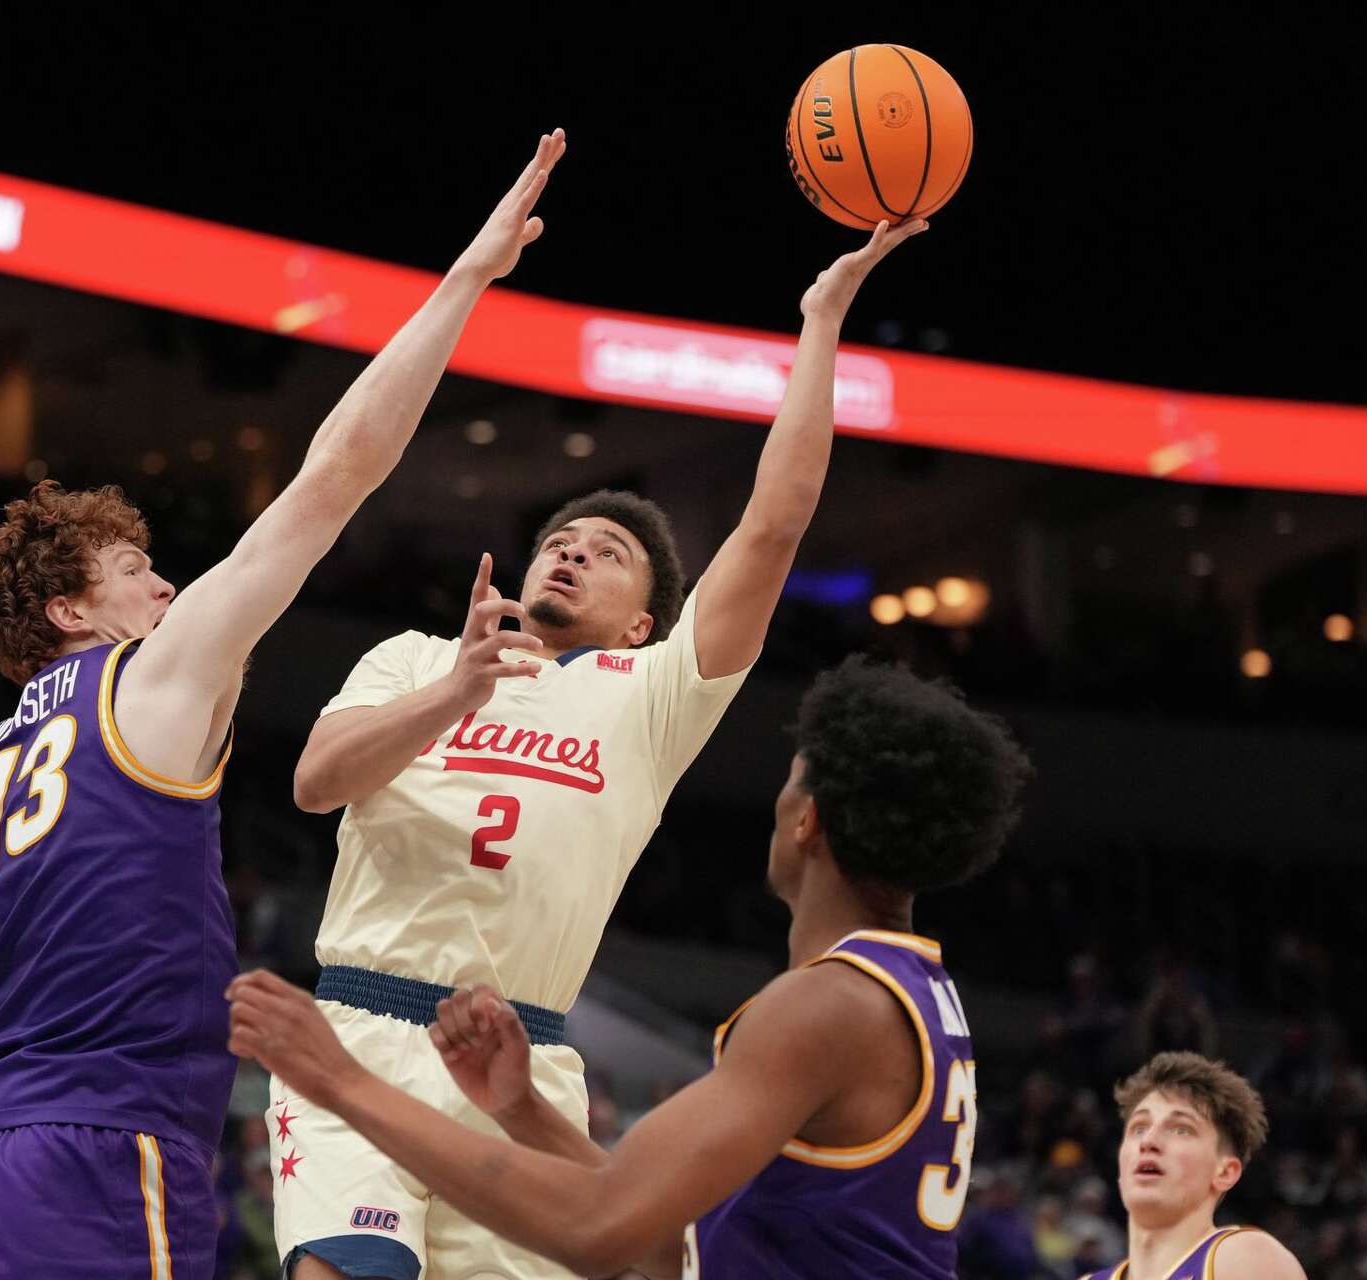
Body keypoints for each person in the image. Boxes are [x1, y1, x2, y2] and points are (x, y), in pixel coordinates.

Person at [0, 129, 570, 1280]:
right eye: (133, 567)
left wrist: (22, 1040)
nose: (165, 583)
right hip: (102, 1153)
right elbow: (337, 474)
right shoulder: (154, 677)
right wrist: (467, 281)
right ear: (72, 611)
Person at [274, 217, 927, 1280]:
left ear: (641, 623)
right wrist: (456, 691)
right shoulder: (414, 656)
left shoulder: (654, 694)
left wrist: (820, 322)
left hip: (518, 1062)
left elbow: (775, 522)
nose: (573, 550)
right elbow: (313, 783)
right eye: (560, 541)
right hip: (361, 1026)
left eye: (607, 552)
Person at [230, 655, 1030, 1279]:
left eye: (789, 786)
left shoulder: (825, 1008)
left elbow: (597, 1230)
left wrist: (340, 1080)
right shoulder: (915, 991)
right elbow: (672, 1245)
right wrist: (526, 1114)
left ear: (806, 822)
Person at [1078, 1051, 1306, 1280]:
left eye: (1181, 1130)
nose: (1148, 1141)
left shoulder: (1245, 1259)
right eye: (1139, 1128)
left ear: (1225, 1172)